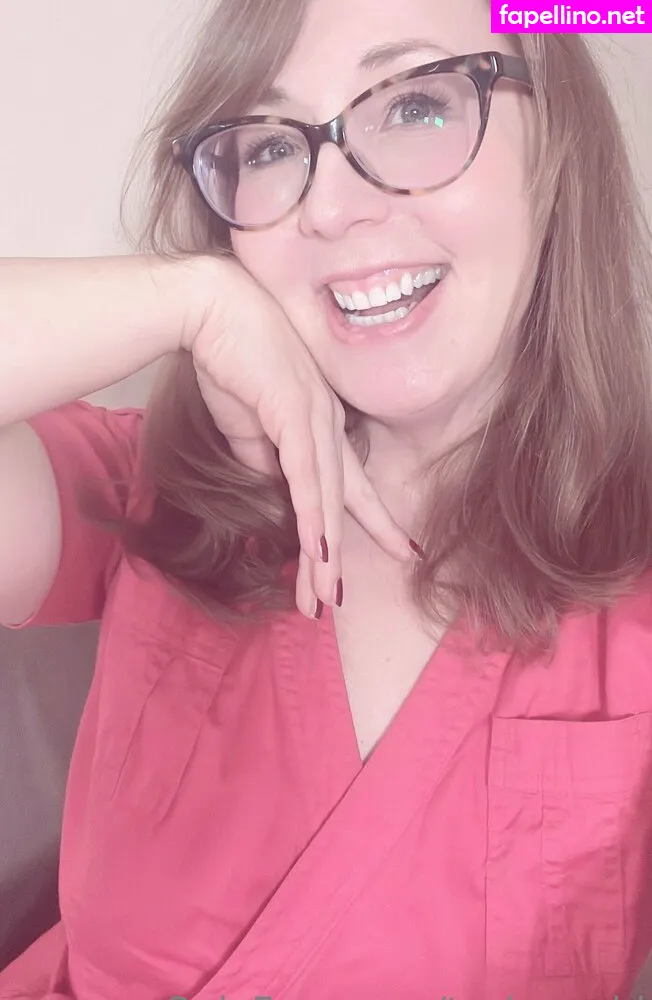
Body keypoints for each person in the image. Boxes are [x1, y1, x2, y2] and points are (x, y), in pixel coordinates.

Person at [2, 0, 652, 996]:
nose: (331, 208)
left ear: (556, 145)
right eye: (269, 145)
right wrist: (185, 298)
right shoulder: (147, 489)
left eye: (418, 105)